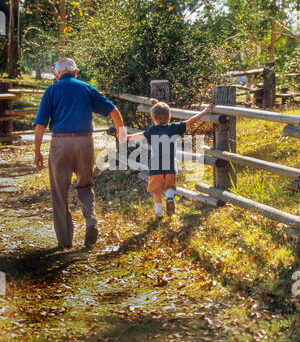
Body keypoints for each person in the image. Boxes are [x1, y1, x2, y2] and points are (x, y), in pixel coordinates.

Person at [34, 57, 125, 249]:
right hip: (85, 141)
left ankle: (65, 242)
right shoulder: (86, 87)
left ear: (57, 75)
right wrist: (120, 131)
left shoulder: (51, 90)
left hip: (60, 143)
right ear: (76, 72)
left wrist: (37, 152)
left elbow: (40, 125)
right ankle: (91, 222)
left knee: (59, 193)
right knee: (85, 185)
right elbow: (114, 111)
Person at [126, 101, 212, 218]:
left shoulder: (152, 130)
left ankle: (159, 213)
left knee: (156, 191)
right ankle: (170, 198)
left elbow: (141, 135)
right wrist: (204, 111)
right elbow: (191, 121)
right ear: (169, 116)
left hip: (156, 166)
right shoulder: (174, 128)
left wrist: (128, 137)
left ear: (153, 118)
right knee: (170, 186)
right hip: (171, 164)